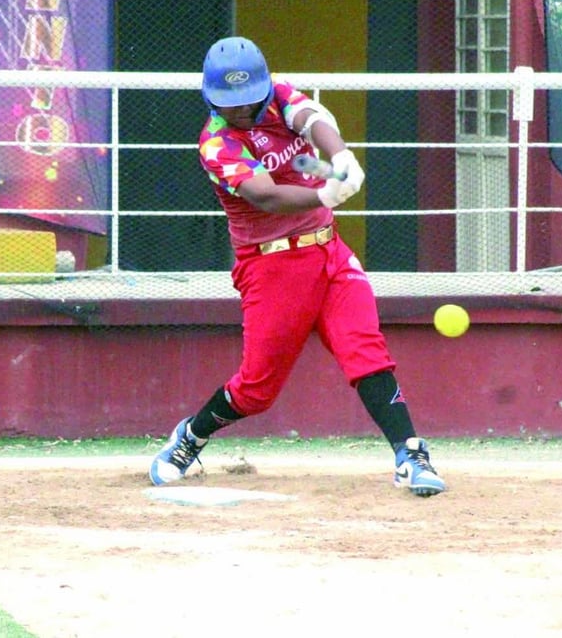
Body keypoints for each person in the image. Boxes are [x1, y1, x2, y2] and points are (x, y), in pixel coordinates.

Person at [148, 36, 446, 497]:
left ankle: (410, 455)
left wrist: (341, 155)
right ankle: (192, 435)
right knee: (256, 391)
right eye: (230, 102)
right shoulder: (215, 142)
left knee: (365, 352)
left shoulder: (279, 97)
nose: (241, 111)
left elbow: (312, 119)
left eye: (249, 100)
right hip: (271, 267)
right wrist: (324, 193)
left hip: (329, 252)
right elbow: (265, 196)